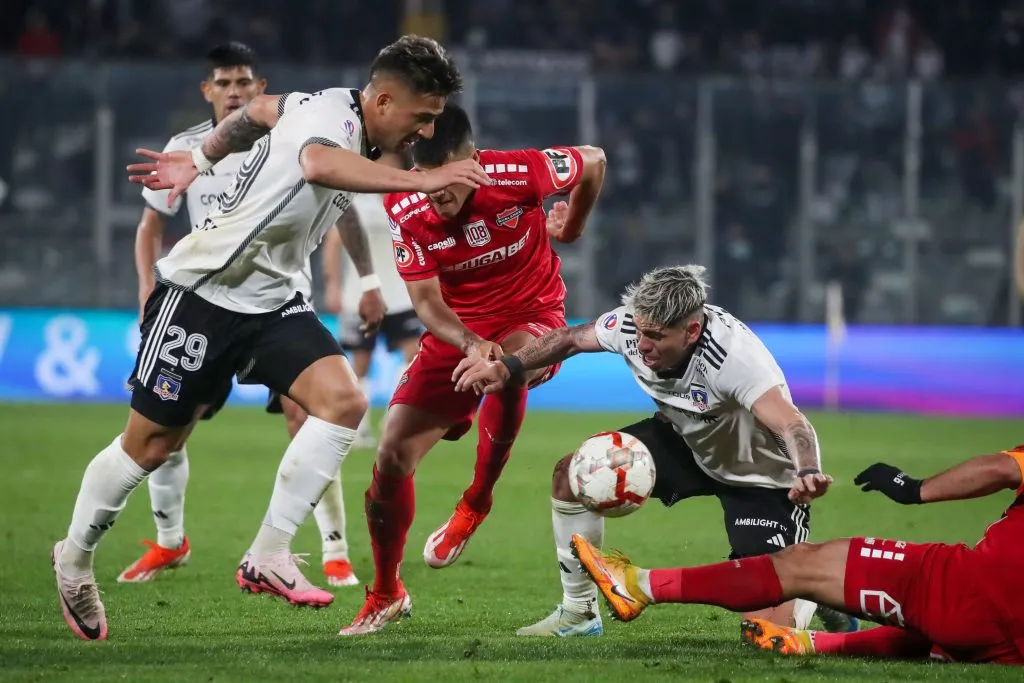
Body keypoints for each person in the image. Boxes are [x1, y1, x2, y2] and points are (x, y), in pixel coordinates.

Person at [53, 35, 486, 641]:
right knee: (149, 447)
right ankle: (74, 558)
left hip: (274, 302)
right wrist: (425, 179)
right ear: (385, 101)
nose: (427, 131)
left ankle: (269, 553)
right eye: (423, 116)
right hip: (204, 292)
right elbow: (318, 165)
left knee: (345, 402)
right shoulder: (332, 121)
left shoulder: (320, 108)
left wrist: (201, 156)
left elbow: (258, 110)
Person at [453, 265, 852, 637]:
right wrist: (507, 367)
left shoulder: (735, 360)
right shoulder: (631, 325)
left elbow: (793, 424)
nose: (642, 345)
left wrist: (807, 471)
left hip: (760, 476)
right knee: (572, 474)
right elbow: (568, 339)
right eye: (641, 331)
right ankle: (579, 613)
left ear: (691, 331)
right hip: (687, 442)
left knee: (765, 634)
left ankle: (811, 588)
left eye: (657, 336)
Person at [339, 103, 607, 635]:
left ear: (475, 162)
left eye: (450, 179)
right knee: (391, 455)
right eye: (427, 177)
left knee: (510, 366)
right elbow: (425, 300)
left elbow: (594, 160)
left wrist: (572, 227)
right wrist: (469, 342)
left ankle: (477, 499)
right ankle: (387, 592)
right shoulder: (405, 205)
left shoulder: (520, 172)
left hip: (533, 315)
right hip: (458, 329)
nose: (437, 192)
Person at [122, 42, 360, 590]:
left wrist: (365, 279)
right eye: (224, 83)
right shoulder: (185, 149)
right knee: (169, 428)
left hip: (280, 303)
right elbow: (150, 225)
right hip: (207, 304)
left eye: (243, 83)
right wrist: (146, 290)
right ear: (207, 90)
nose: (234, 91)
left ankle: (335, 551)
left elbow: (339, 206)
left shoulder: (294, 135)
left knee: (315, 417)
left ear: (260, 89)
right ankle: (169, 541)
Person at [570, 447, 1024, 665]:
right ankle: (811, 643)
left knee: (803, 562)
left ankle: (641, 586)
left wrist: (915, 489)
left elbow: (1004, 468)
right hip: (1008, 647)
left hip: (980, 585)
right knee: (937, 632)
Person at [320, 153, 422, 449]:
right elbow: (333, 244)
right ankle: (357, 426)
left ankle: (395, 416)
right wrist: (333, 286)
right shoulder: (356, 201)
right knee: (360, 362)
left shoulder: (408, 203)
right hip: (360, 296)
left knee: (414, 355)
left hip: (400, 295)